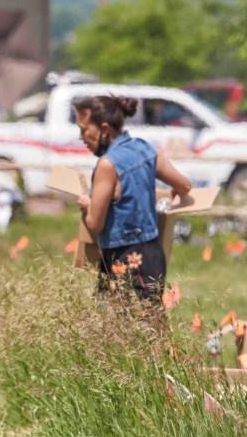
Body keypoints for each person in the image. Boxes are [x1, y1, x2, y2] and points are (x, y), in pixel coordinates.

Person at [75, 94, 192, 301]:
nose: (81, 137)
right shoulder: (145, 149)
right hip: (153, 255)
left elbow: (94, 224)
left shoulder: (107, 165)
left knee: (114, 327)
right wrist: (174, 194)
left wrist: (87, 205)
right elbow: (184, 185)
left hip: (122, 259)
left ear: (104, 129)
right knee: (150, 325)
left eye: (84, 130)